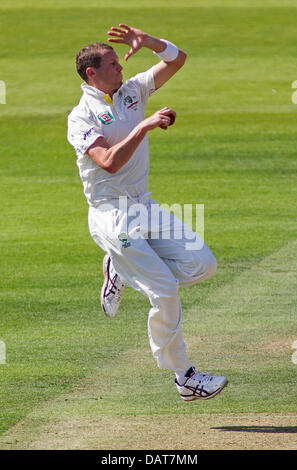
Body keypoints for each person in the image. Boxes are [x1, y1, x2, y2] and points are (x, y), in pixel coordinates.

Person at [67, 24, 228, 401]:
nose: (121, 68)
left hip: (145, 205)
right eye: (112, 64)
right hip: (112, 216)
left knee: (203, 265)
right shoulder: (81, 116)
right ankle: (184, 376)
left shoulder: (132, 91)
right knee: (165, 289)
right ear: (92, 73)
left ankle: (120, 268)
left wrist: (150, 42)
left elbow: (177, 60)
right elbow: (107, 161)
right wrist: (144, 126)